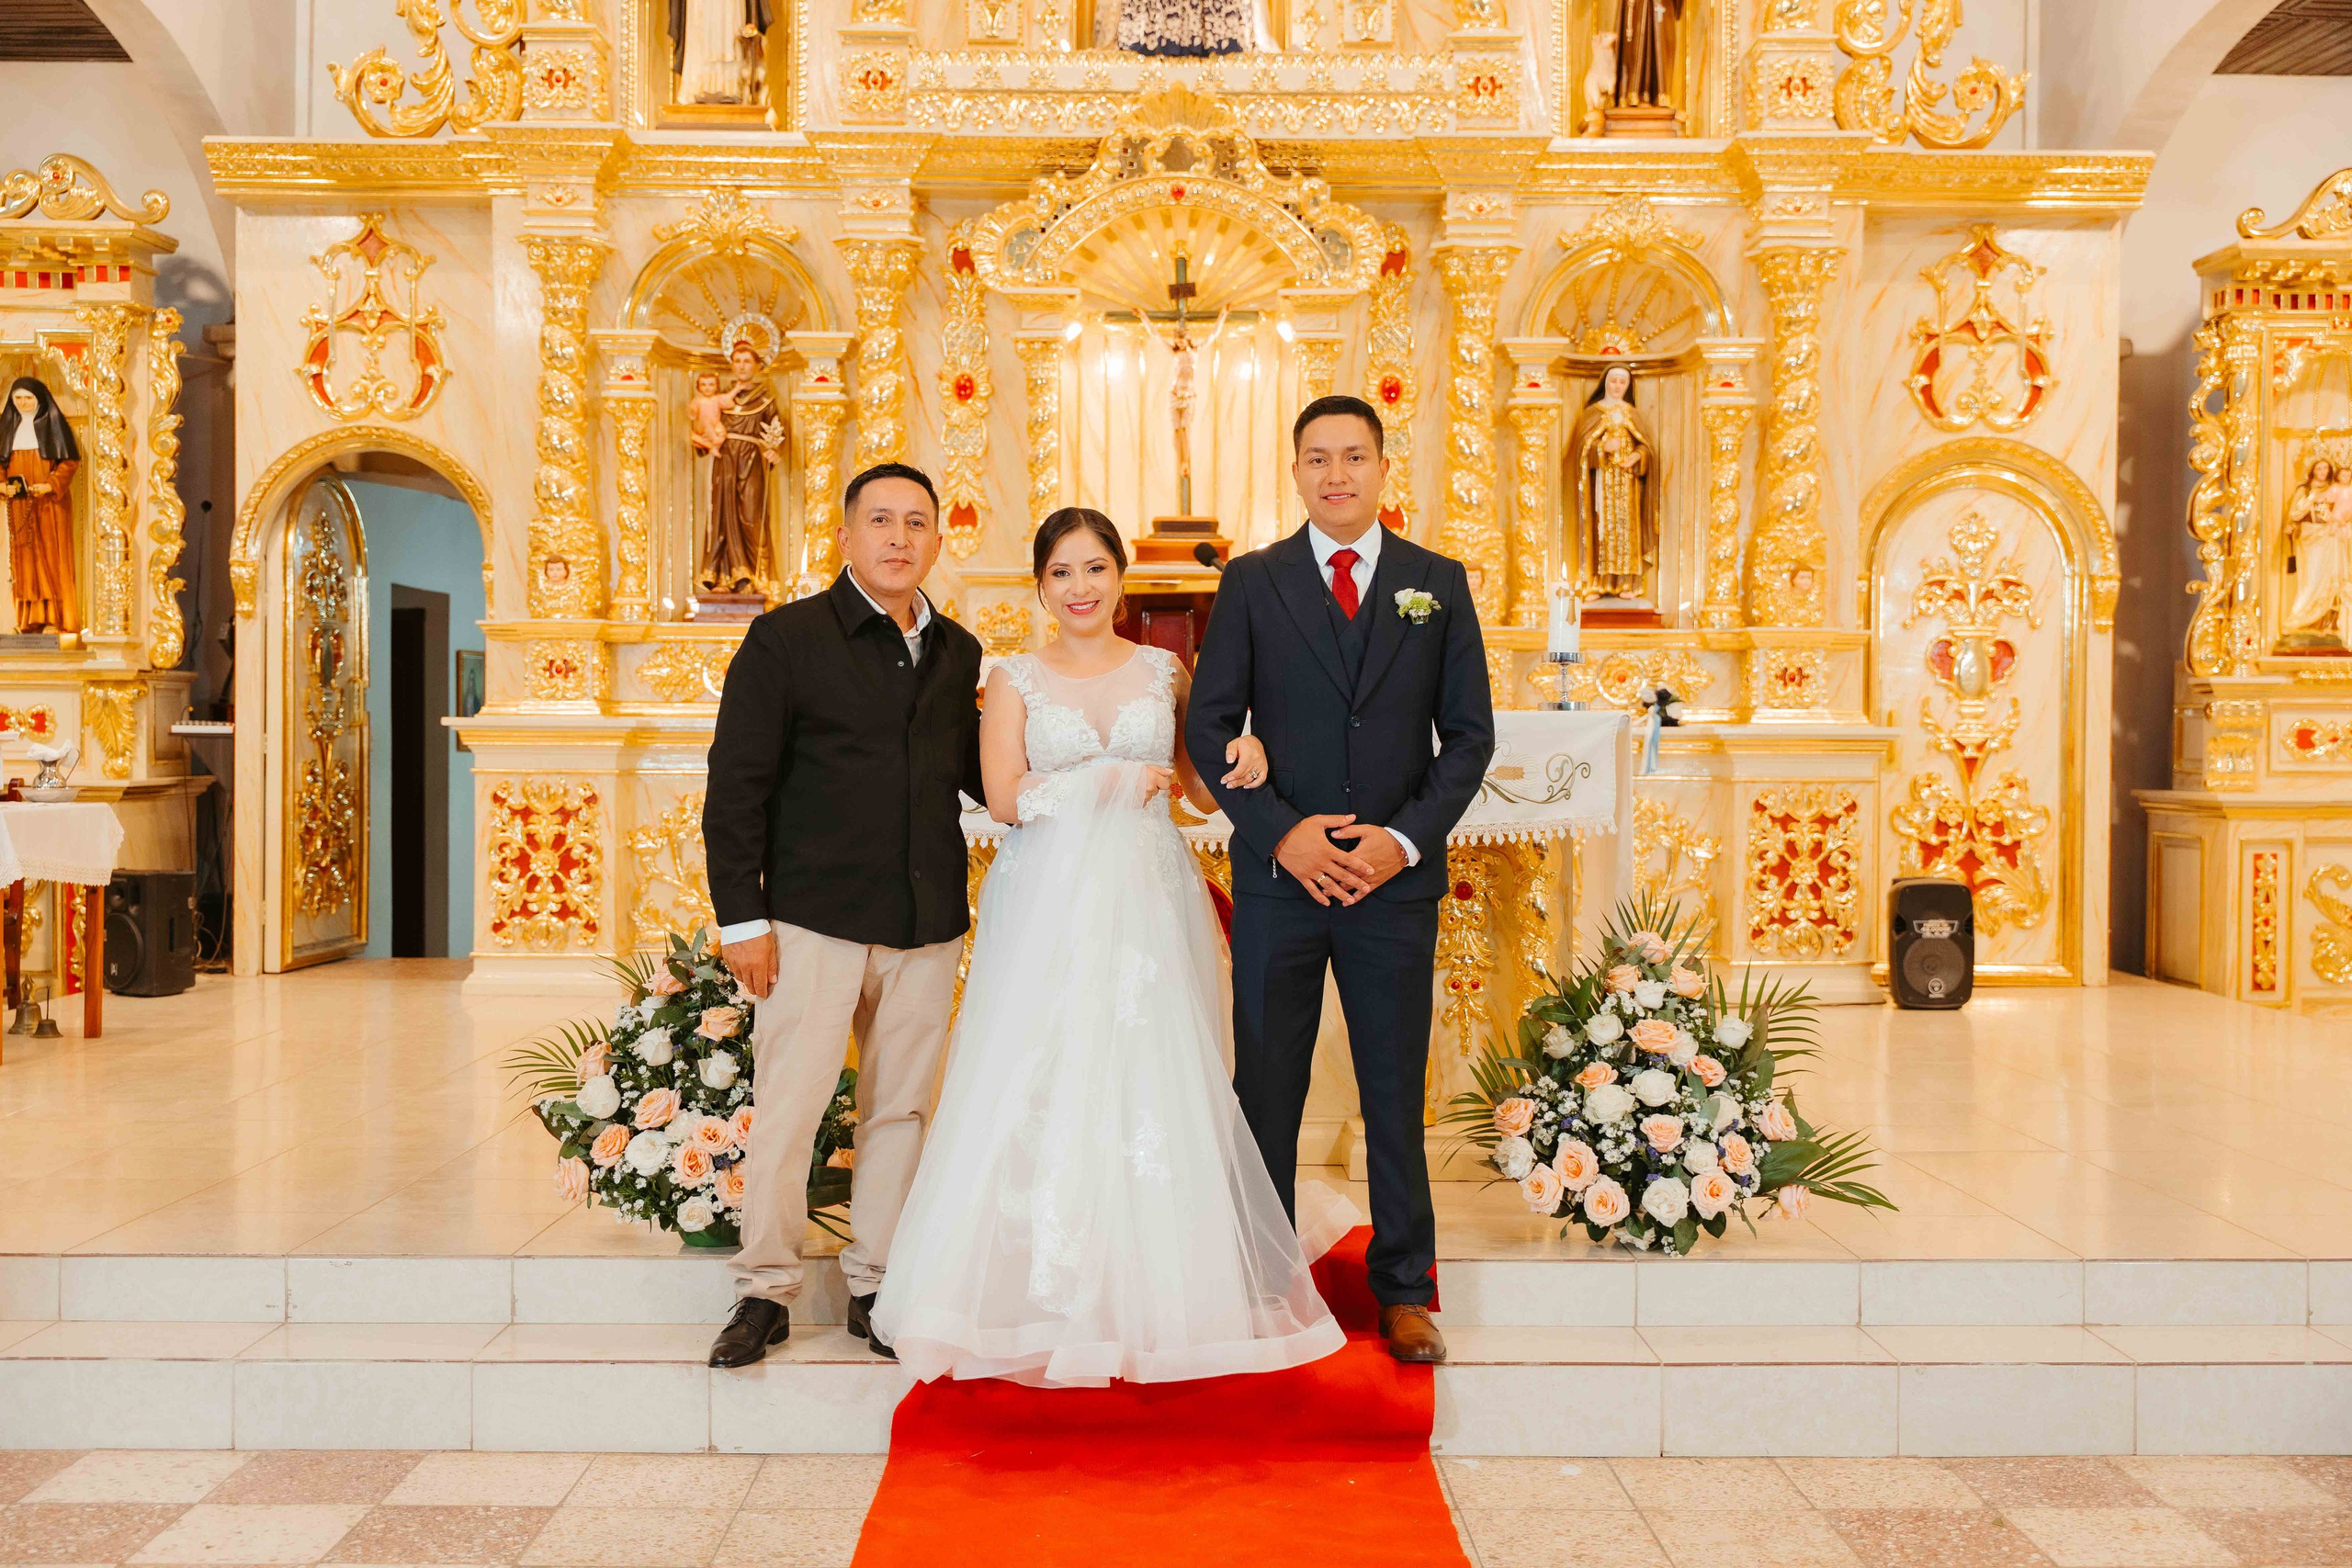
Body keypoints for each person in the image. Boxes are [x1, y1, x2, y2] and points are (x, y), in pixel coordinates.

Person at [872, 508, 1346, 1387]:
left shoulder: (1167, 669)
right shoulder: (1012, 677)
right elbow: (1008, 798)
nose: (1080, 588)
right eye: (1062, 573)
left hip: (1145, 894)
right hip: (1048, 897)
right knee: (1044, 1065)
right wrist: (1103, 780)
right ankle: (1040, 1282)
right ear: (1041, 585)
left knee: (1152, 1066)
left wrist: (1245, 750)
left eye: (1095, 569)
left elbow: (1198, 791)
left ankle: (1162, 1278)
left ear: (1120, 577)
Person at [1185, 393, 1496, 1365]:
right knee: (1266, 1085)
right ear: (1294, 473)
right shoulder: (1252, 581)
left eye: (1353, 456)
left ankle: (1405, 1290)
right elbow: (1208, 722)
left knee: (1391, 1089)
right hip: (1283, 882)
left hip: (1390, 887)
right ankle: (1262, 1279)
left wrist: (1397, 844)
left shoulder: (1434, 582)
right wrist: (1283, 837)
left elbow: (1469, 737)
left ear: (1381, 467)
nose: (1336, 474)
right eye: (1316, 458)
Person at [699, 461, 983, 1369]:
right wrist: (743, 920)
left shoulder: (959, 653)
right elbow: (736, 785)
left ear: (937, 539)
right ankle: (765, 1289)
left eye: (916, 523)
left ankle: (876, 1283)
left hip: (924, 916)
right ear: (847, 536)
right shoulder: (787, 640)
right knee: (790, 1107)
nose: (900, 538)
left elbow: (978, 773)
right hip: (813, 918)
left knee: (898, 1111)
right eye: (881, 521)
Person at [2, 377, 81, 636]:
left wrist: (50, 484)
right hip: (20, 505)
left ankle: (56, 620)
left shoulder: (53, 425)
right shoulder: (6, 428)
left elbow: (68, 463)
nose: (23, 403)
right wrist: (3, 486)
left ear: (39, 400)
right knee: (25, 562)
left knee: (51, 558)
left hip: (50, 505)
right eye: (18, 399)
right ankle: (28, 621)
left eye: (28, 398)